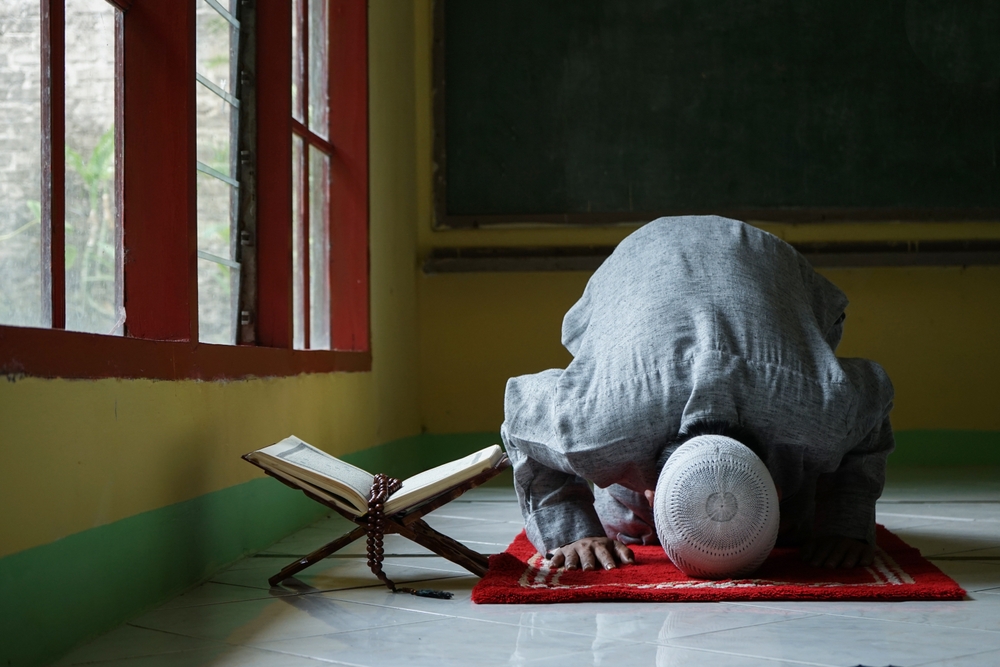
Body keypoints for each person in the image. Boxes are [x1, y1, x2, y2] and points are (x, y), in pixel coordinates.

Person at [500, 216, 895, 573]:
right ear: (651, 494)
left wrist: (845, 525)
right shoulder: (596, 428)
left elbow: (874, 398)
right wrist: (570, 531)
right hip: (638, 266)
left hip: (771, 266)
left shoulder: (821, 415)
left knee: (800, 525)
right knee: (627, 527)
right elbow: (519, 412)